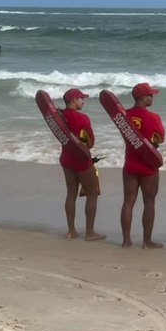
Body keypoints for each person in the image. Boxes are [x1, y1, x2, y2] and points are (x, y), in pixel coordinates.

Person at [120, 82, 165, 249]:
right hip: (148, 166)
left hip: (130, 163)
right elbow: (160, 139)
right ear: (142, 97)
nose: (152, 97)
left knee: (128, 202)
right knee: (149, 203)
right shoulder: (153, 117)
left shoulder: (124, 115)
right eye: (150, 95)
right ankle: (147, 241)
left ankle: (126, 241)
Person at [60, 88, 105, 242]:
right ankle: (90, 232)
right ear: (73, 101)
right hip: (81, 160)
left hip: (66, 159)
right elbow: (90, 142)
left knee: (71, 194)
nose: (83, 101)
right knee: (92, 194)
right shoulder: (82, 118)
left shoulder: (60, 117)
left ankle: (71, 231)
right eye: (80, 99)